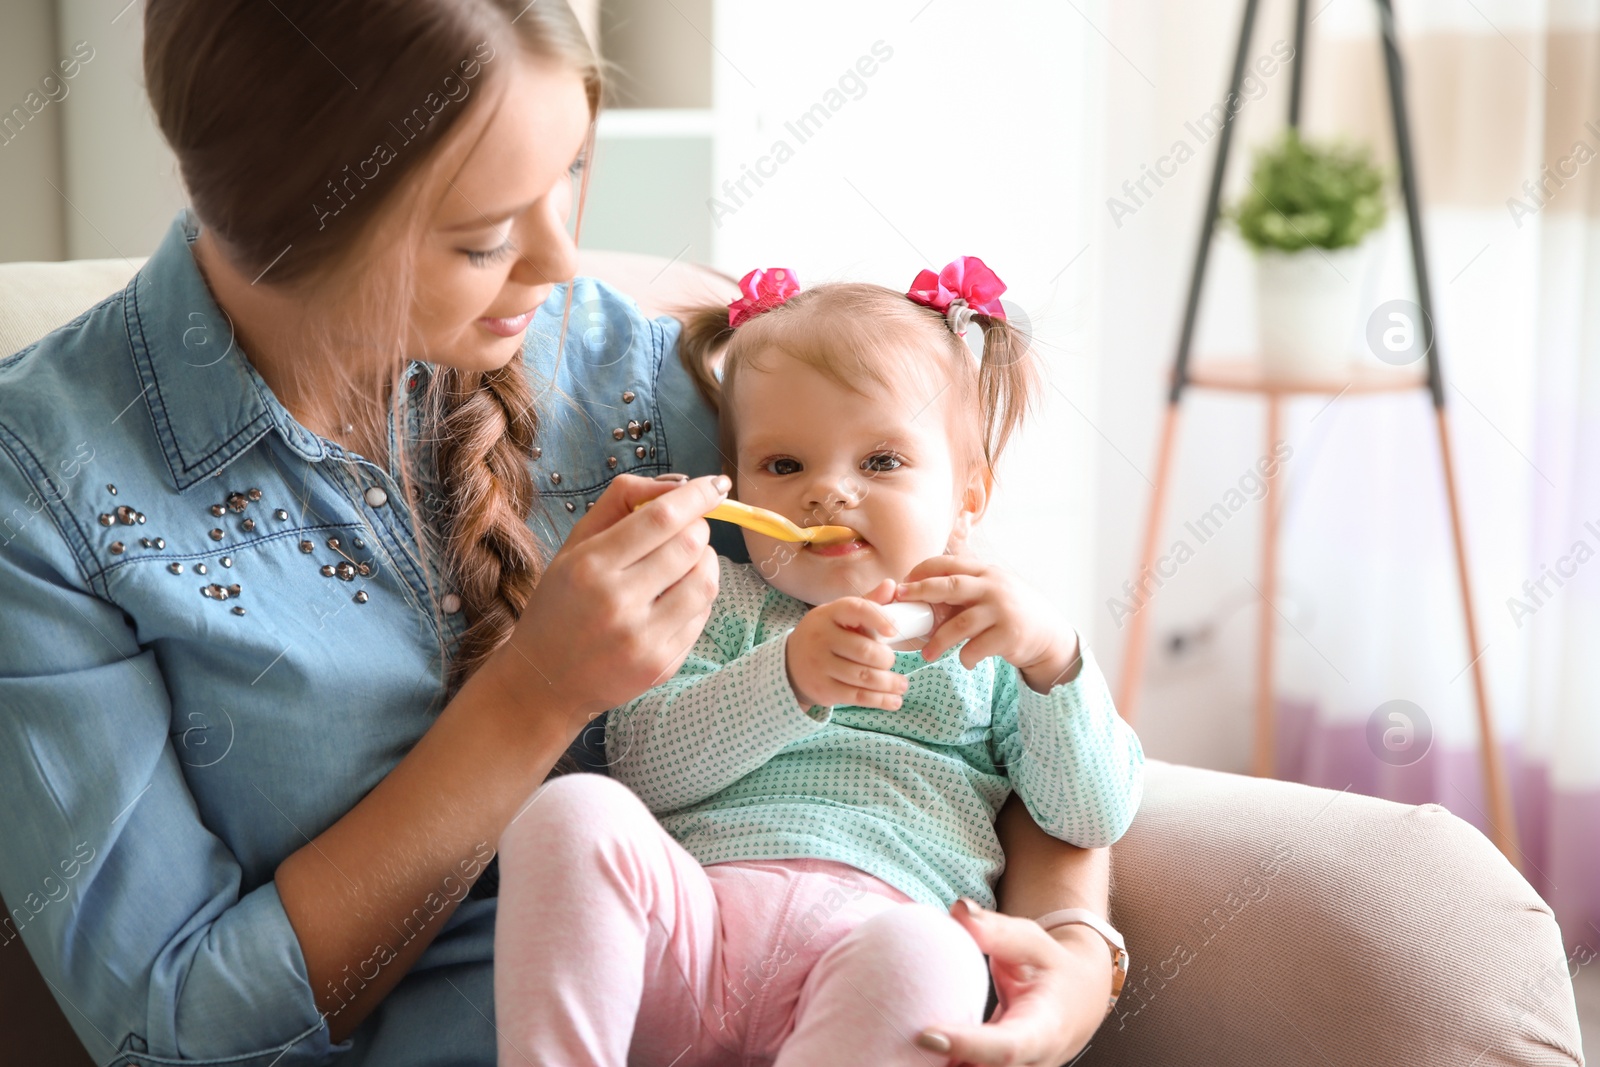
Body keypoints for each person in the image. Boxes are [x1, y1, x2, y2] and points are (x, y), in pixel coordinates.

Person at [0, 2, 1125, 1064]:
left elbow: (973, 712)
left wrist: (1077, 948)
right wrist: (534, 691)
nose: (561, 266)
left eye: (572, 174)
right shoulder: (45, 490)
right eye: (485, 235)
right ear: (294, 223)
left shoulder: (644, 379)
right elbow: (176, 1026)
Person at [493, 259, 1145, 1064]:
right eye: (784, 465)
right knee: (573, 811)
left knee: (931, 951)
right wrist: (785, 679)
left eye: (880, 461)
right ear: (735, 489)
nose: (828, 492)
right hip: (700, 936)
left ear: (968, 496)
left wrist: (1056, 659)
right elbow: (644, 767)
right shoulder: (715, 598)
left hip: (872, 952)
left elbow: (1092, 813)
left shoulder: (993, 636)